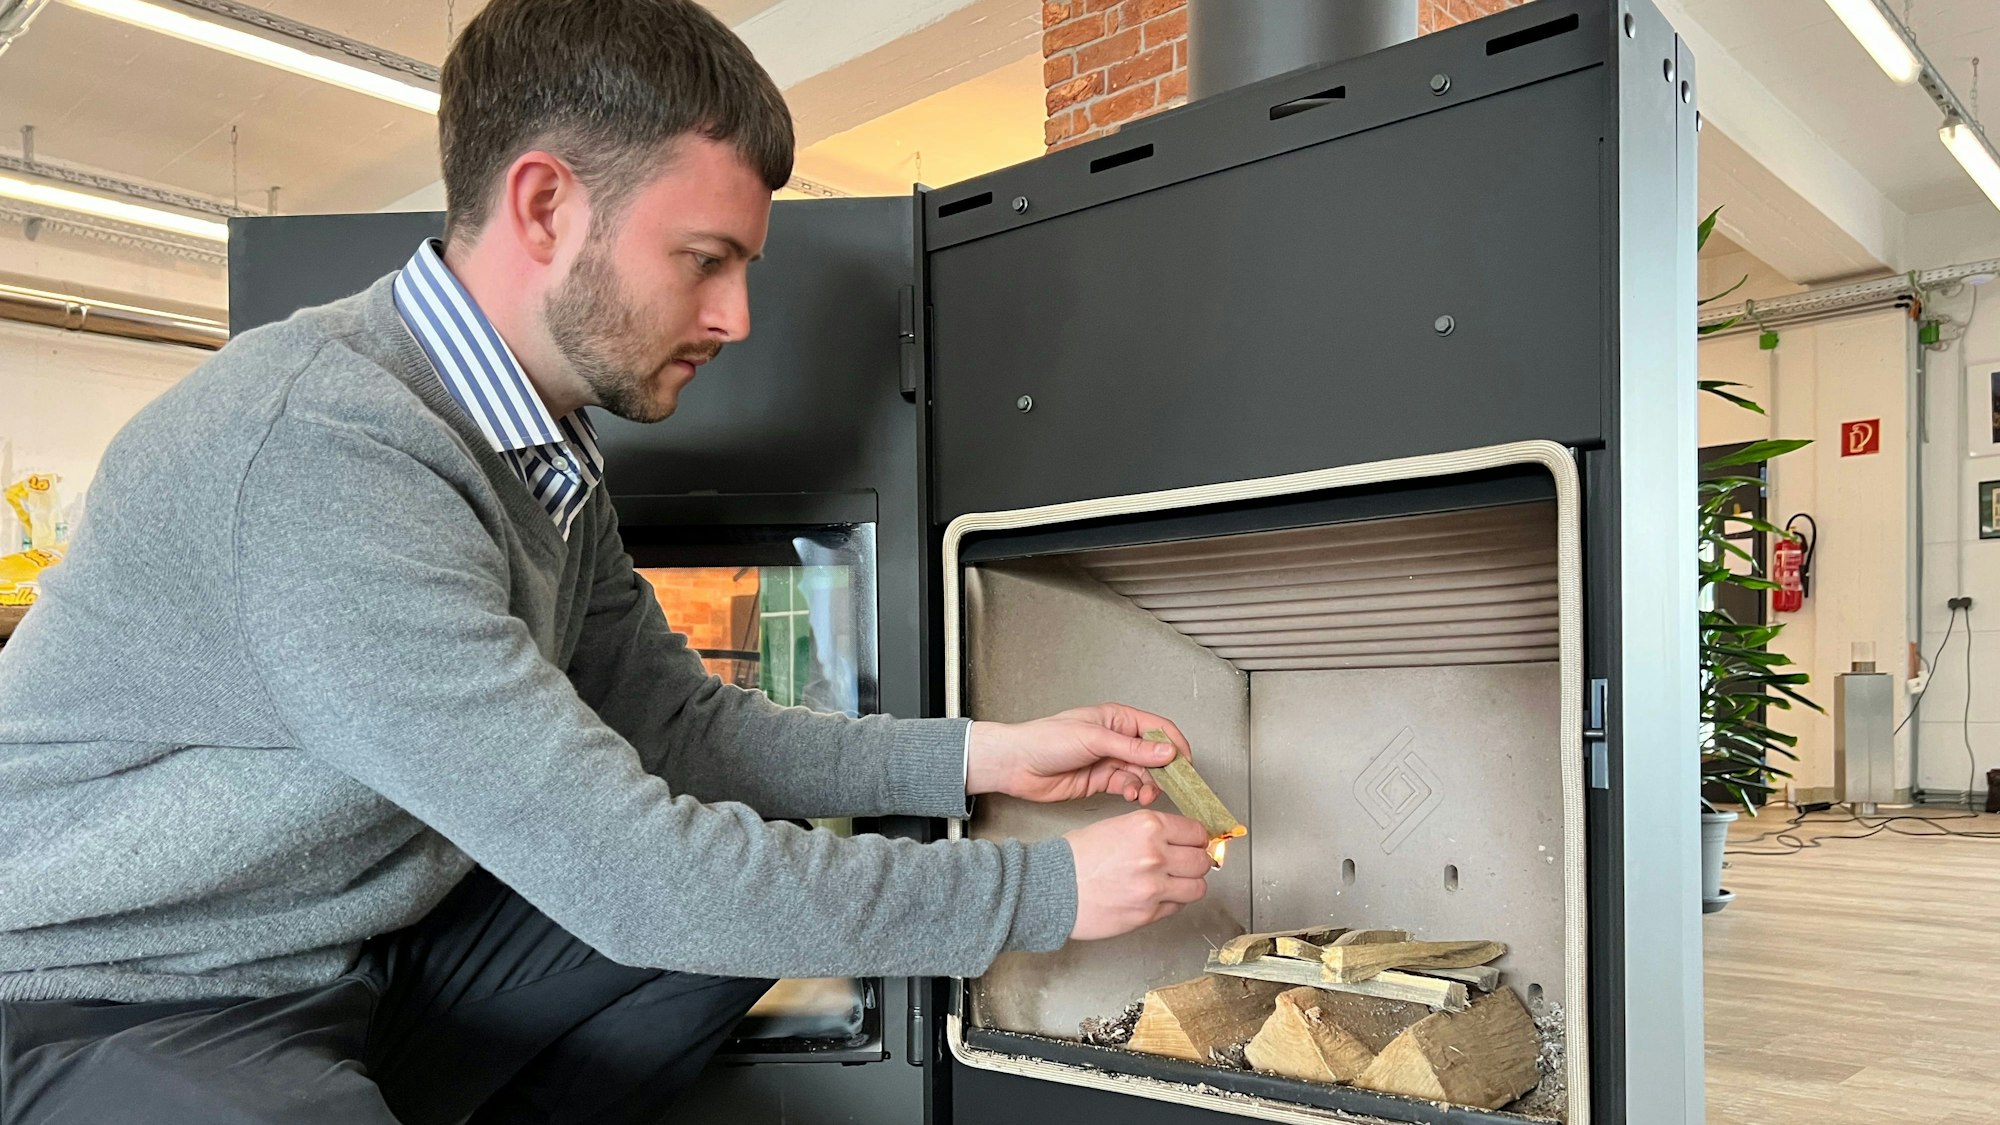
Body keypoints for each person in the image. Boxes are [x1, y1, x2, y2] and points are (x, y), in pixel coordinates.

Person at [0, 1, 1219, 1121]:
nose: (737, 316)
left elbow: (679, 732)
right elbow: (635, 874)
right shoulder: (323, 452)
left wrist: (980, 756)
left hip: (341, 949)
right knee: (673, 896)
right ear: (543, 208)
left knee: (715, 915)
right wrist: (1038, 896)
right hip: (110, 993)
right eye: (705, 258)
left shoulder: (540, 450)